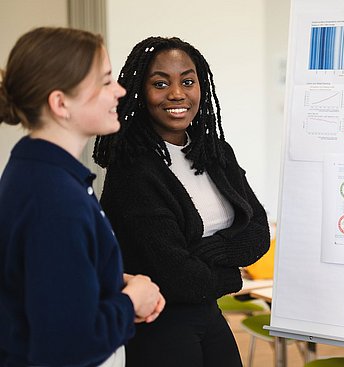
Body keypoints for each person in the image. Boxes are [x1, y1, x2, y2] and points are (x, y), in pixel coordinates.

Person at [93, 36, 270, 366]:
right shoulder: (133, 168)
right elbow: (176, 276)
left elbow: (258, 231)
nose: (177, 94)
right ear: (139, 92)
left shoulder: (215, 153)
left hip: (208, 312)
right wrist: (233, 276)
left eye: (188, 81)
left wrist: (209, 253)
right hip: (159, 325)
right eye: (160, 84)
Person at [0, 27, 166, 367]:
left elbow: (42, 275)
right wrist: (131, 302)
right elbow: (67, 346)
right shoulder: (55, 199)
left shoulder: (33, 168)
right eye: (105, 81)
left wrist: (108, 280)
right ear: (61, 103)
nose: (119, 91)